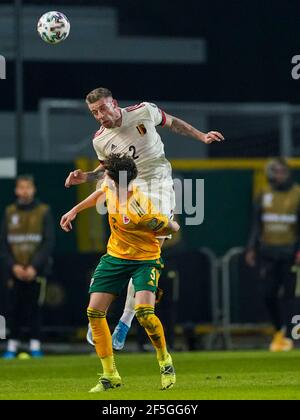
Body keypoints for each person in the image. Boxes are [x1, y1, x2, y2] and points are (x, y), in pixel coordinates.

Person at [64, 87, 224, 350]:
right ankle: (116, 318)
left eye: (103, 108)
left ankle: (125, 320)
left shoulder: (143, 111)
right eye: (94, 112)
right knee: (129, 253)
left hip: (158, 183)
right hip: (129, 185)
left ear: (114, 103)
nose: (100, 115)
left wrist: (201, 136)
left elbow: (172, 123)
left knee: (147, 252)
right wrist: (86, 177)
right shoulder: (100, 140)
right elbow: (106, 170)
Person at [60, 154, 180, 391]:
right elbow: (100, 192)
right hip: (115, 256)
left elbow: (169, 227)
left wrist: (171, 224)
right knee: (94, 312)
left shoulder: (139, 205)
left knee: (145, 314)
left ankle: (165, 361)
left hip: (145, 259)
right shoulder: (111, 185)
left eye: (106, 173)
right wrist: (74, 210)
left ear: (117, 180)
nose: (103, 177)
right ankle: (110, 375)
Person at [245, 158, 300, 352]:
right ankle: (280, 331)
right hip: (268, 253)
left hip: (290, 254)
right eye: (275, 171)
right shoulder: (264, 194)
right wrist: (251, 248)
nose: (279, 175)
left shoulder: (297, 194)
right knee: (268, 294)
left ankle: (294, 336)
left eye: (282, 171)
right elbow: (256, 224)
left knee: (291, 297)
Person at [0, 175, 55, 359]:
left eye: (28, 187)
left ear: (33, 189)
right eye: (21, 188)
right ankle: (12, 345)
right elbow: (3, 244)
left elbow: (48, 242)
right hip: (13, 270)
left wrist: (34, 267)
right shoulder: (9, 212)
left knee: (35, 307)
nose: (24, 191)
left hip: (36, 271)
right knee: (12, 307)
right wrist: (13, 266)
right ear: (16, 190)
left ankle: (35, 344)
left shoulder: (43, 211)